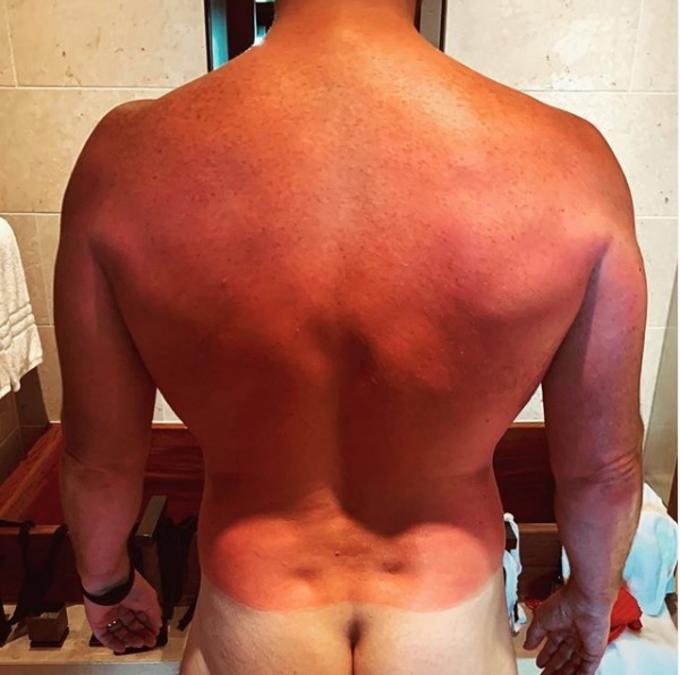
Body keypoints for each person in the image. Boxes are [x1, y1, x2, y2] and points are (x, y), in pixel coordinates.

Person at [55, 0, 646, 673]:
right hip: (448, 632)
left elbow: (99, 463)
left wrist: (106, 585)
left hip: (252, 629)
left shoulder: (123, 159)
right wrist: (591, 597)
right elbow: (604, 472)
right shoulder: (572, 163)